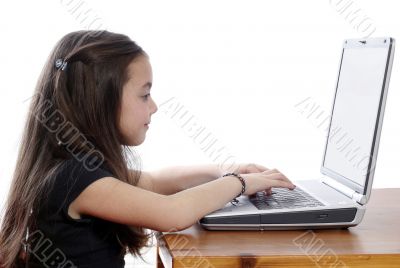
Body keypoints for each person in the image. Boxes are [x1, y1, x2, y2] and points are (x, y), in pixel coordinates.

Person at [0, 30, 295, 268]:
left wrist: (222, 169)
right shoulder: (73, 177)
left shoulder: (76, 167)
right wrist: (240, 183)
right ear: (101, 102)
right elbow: (172, 213)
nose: (153, 106)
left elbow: (154, 181)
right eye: (144, 95)